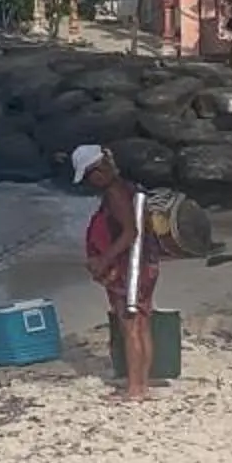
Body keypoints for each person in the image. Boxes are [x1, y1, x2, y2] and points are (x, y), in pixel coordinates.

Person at [77, 145, 161, 401]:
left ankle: (135, 389)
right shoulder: (128, 188)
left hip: (130, 269)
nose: (90, 183)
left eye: (89, 176)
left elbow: (129, 232)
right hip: (145, 264)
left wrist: (104, 260)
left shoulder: (115, 194)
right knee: (142, 324)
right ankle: (142, 384)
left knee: (130, 325)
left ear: (98, 170)